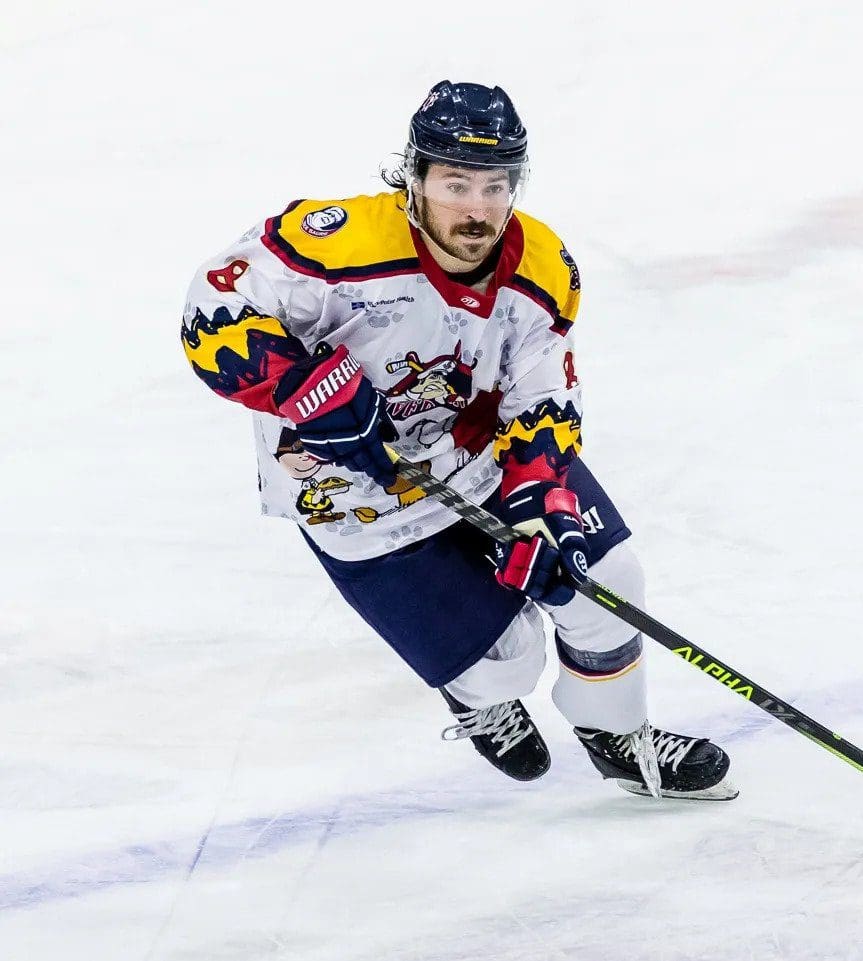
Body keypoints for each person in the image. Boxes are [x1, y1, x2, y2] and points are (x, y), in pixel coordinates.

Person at [180, 80, 736, 800]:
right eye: (455, 182)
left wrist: (543, 499)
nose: (477, 208)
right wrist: (306, 389)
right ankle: (482, 696)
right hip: (350, 490)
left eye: (495, 185)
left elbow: (541, 389)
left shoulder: (541, 265)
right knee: (506, 656)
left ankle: (616, 734)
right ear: (412, 178)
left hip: (477, 457)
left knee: (604, 582)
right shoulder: (333, 242)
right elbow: (212, 308)